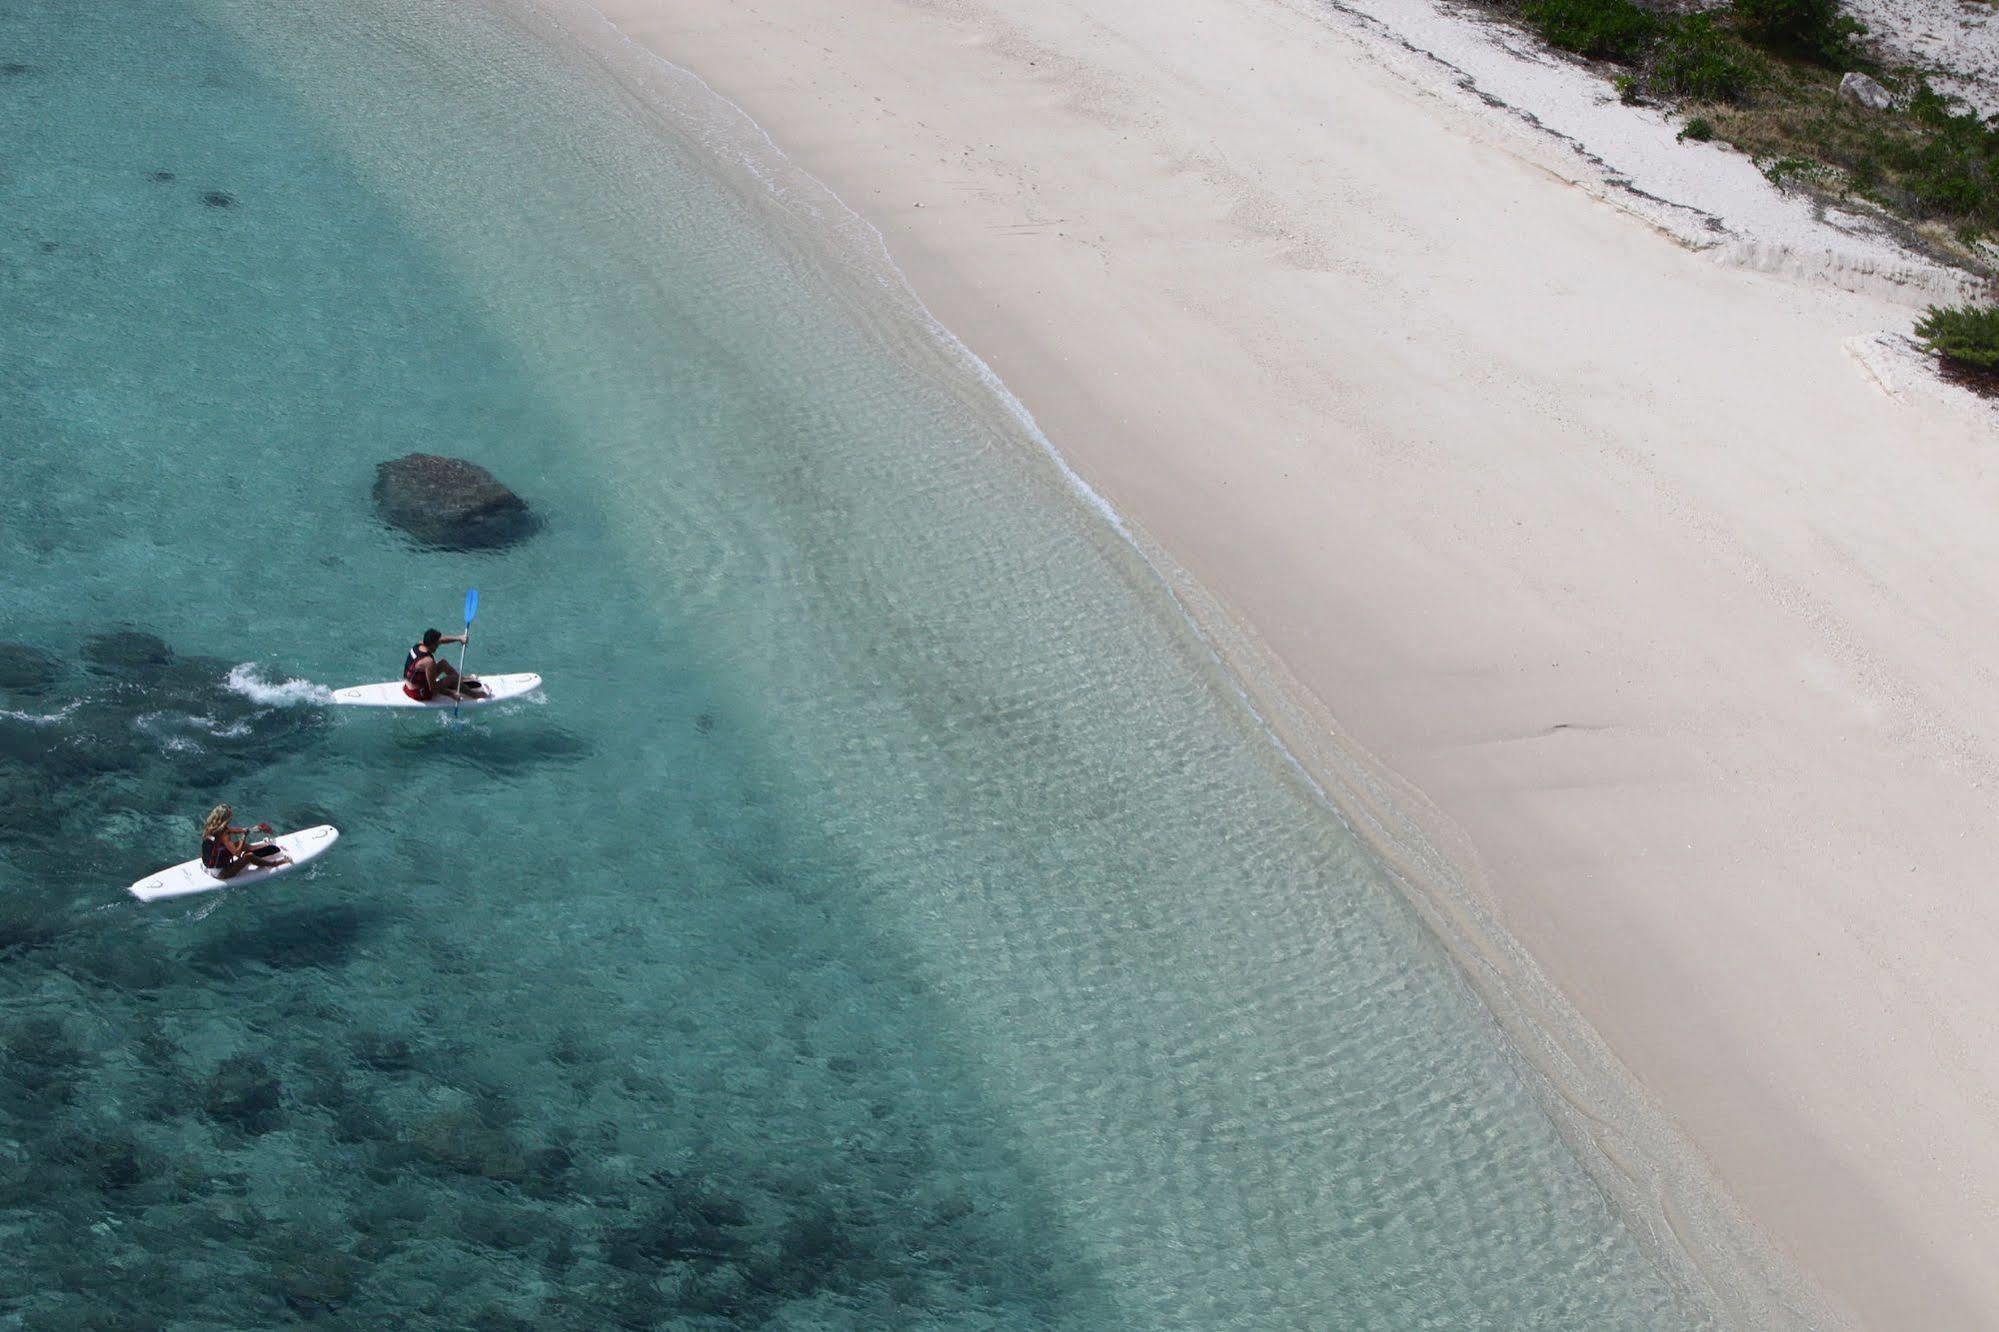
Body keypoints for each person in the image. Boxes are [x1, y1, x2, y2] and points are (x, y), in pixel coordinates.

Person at [200, 805, 289, 879]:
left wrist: (252, 829)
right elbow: (237, 854)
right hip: (221, 873)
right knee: (248, 856)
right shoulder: (224, 834)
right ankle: (273, 864)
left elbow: (233, 830)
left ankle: (266, 845)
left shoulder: (211, 828)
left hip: (208, 867)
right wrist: (243, 837)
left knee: (238, 844)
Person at [403, 627, 485, 702]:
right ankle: (474, 695)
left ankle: (461, 680)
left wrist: (459, 638)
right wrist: (452, 695)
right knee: (452, 679)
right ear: (432, 644)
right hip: (418, 693)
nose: (438, 646)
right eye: (437, 644)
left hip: (410, 685)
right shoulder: (428, 662)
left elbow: (442, 640)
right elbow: (433, 688)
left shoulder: (420, 644)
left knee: (443, 664)